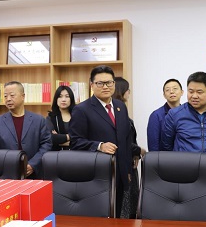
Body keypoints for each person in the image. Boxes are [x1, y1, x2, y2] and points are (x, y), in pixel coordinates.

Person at [69, 65, 134, 218]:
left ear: (114, 84)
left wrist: (127, 170)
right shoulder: (82, 109)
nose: (105, 87)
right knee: (99, 218)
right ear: (91, 85)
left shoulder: (120, 106)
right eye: (100, 83)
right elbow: (75, 141)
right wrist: (99, 146)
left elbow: (126, 140)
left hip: (119, 173)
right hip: (96, 175)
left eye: (109, 82)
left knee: (116, 215)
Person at [161, 71, 206, 171]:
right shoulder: (174, 115)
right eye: (191, 91)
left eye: (199, 92)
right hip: (183, 171)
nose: (194, 96)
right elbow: (166, 145)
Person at [0, 81, 52, 178]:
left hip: (34, 174)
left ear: (23, 96)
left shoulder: (39, 120)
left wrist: (33, 164)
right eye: (5, 96)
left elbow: (46, 144)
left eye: (12, 95)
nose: (8, 99)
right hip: (7, 175)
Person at [113, 77, 146, 218]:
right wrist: (139, 150)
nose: (129, 93)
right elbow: (121, 141)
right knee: (125, 209)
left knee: (131, 207)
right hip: (123, 165)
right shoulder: (116, 113)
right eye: (128, 90)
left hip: (130, 162)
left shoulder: (122, 110)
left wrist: (136, 153)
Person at [146, 78, 184, 151]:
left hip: (185, 157)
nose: (171, 92)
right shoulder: (156, 115)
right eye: (167, 90)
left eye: (175, 89)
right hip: (164, 157)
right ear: (164, 95)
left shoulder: (187, 114)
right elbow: (153, 146)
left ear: (182, 92)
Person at [45, 85, 76, 151]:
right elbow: (50, 138)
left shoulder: (78, 116)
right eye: (60, 96)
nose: (63, 100)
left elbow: (83, 138)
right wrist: (70, 137)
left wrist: (60, 139)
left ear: (71, 99)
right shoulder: (51, 118)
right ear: (56, 99)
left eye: (67, 96)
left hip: (77, 154)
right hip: (56, 154)